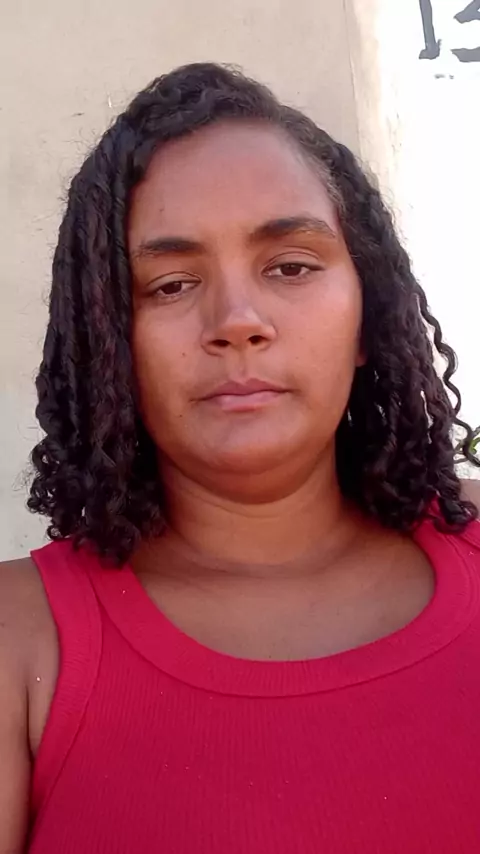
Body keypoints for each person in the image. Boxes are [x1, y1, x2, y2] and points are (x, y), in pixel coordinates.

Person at [1, 62, 479, 854]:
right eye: (170, 284)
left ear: (369, 315)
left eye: (291, 266)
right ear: (107, 345)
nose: (237, 320)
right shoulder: (20, 641)